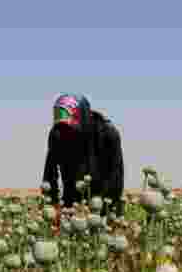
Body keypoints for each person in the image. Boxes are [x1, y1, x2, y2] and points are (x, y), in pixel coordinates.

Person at [42, 93, 125, 226]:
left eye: (69, 128)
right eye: (62, 128)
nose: (65, 133)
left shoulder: (108, 134)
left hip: (105, 204)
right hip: (71, 204)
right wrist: (53, 207)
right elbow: (49, 173)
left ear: (83, 118)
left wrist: (100, 211)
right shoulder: (57, 134)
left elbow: (116, 179)